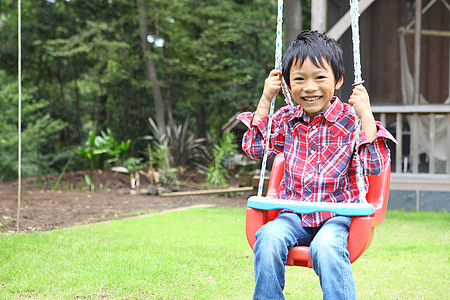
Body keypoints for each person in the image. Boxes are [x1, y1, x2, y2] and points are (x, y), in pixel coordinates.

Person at [237, 30, 396, 300]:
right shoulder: (286, 119)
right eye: (299, 79)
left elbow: (375, 166)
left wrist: (366, 115)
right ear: (287, 84)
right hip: (292, 217)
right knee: (268, 237)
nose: (309, 88)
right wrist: (266, 100)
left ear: (338, 81)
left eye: (320, 77)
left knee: (325, 246)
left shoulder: (351, 121)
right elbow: (255, 148)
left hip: (338, 219)